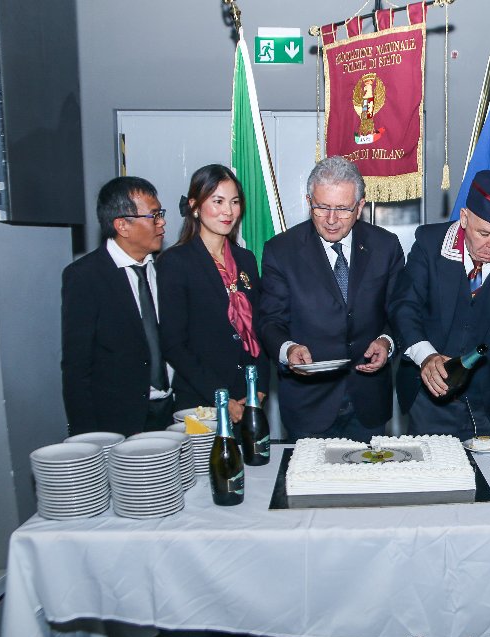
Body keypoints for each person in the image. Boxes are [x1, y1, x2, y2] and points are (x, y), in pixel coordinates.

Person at [389, 169, 490, 440]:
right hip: (430, 399)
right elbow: (404, 306)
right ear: (464, 218)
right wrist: (426, 356)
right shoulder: (430, 244)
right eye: (484, 233)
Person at [258, 156, 404, 441]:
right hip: (308, 405)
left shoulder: (385, 246)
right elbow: (270, 320)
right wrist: (288, 349)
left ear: (360, 207)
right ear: (308, 202)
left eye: (343, 209)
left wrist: (387, 341)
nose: (332, 219)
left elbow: (399, 311)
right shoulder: (281, 251)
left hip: (369, 403)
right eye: (322, 207)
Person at [61, 176, 172, 436]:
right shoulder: (85, 276)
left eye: (161, 214)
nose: (162, 222)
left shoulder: (167, 269)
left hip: (173, 413)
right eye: (154, 216)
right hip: (118, 422)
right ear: (122, 225)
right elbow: (77, 366)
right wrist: (86, 438)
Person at [157, 164, 268, 421]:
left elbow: (259, 327)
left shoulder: (245, 259)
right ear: (195, 206)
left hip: (248, 397)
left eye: (234, 202)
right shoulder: (175, 262)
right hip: (201, 399)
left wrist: (260, 386)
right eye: (218, 201)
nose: (228, 211)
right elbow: (174, 344)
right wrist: (221, 397)